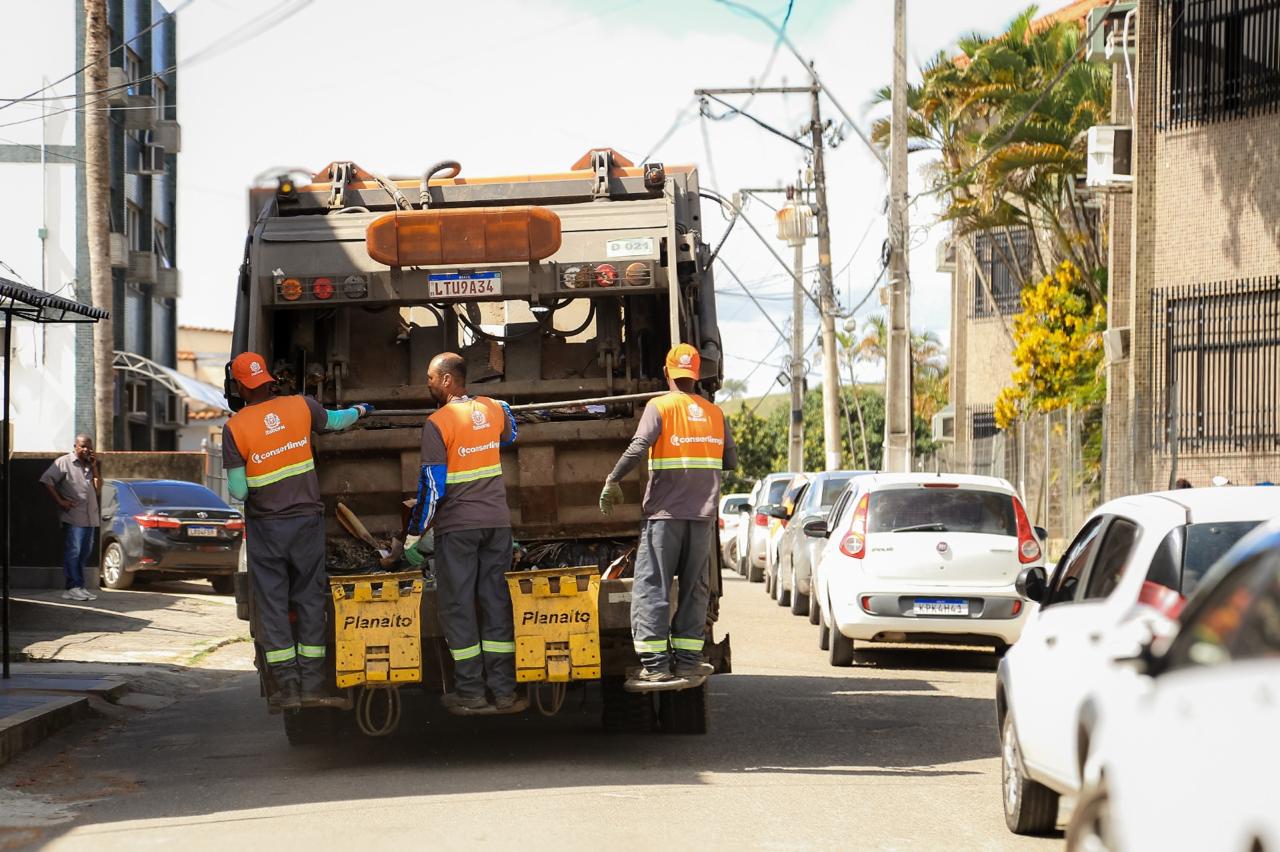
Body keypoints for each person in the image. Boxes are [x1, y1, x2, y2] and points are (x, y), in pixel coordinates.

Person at [222, 351, 373, 711]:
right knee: (309, 599)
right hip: (305, 523)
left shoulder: (235, 427)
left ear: (241, 386)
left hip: (267, 528)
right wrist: (363, 411)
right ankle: (313, 684)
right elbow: (337, 421)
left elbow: (239, 491)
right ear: (270, 379)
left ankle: (287, 690)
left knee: (274, 606)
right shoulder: (301, 406)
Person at [599, 343, 738, 691]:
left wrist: (612, 479)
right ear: (697, 376)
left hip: (664, 516)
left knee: (653, 587)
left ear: (667, 372)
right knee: (694, 589)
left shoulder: (659, 406)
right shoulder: (715, 413)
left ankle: (656, 667)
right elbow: (731, 461)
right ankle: (689, 664)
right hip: (701, 516)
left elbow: (638, 445)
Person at [403, 352, 523, 715]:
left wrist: (413, 534)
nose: (427, 383)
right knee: (496, 602)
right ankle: (503, 693)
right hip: (497, 525)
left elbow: (433, 488)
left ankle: (471, 693)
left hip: (458, 529)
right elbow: (511, 433)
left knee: (458, 607)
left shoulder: (437, 423)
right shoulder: (494, 407)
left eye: (429, 377)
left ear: (446, 381)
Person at [40, 435, 101, 602]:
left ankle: (78, 586)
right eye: (83, 446)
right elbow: (47, 480)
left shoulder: (90, 465)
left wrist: (95, 467)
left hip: (90, 517)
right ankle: (72, 587)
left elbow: (97, 490)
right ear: (75, 446)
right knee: (73, 552)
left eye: (89, 447)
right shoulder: (64, 462)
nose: (86, 450)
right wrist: (61, 501)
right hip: (74, 516)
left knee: (84, 553)